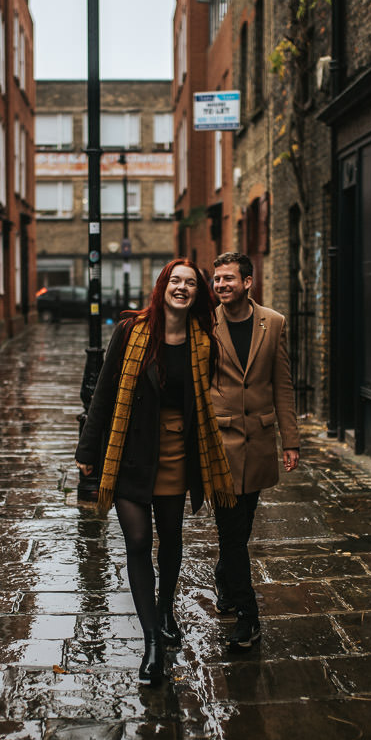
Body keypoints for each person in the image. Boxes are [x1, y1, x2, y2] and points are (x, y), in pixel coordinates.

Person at [76, 259, 236, 685]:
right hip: (129, 451)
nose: (181, 288)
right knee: (138, 540)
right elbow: (105, 391)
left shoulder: (204, 339)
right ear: (162, 285)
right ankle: (150, 644)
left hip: (176, 454)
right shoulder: (131, 330)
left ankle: (166, 608)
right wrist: (87, 450)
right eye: (175, 281)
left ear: (198, 294)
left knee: (171, 538)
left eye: (190, 284)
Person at [210, 251, 300, 652]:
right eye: (217, 280)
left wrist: (291, 439)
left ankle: (225, 577)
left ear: (248, 282)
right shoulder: (205, 323)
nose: (221, 285)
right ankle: (248, 617)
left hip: (261, 442)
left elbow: (282, 383)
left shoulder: (274, 322)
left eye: (229, 278)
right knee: (231, 531)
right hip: (220, 442)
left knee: (242, 526)